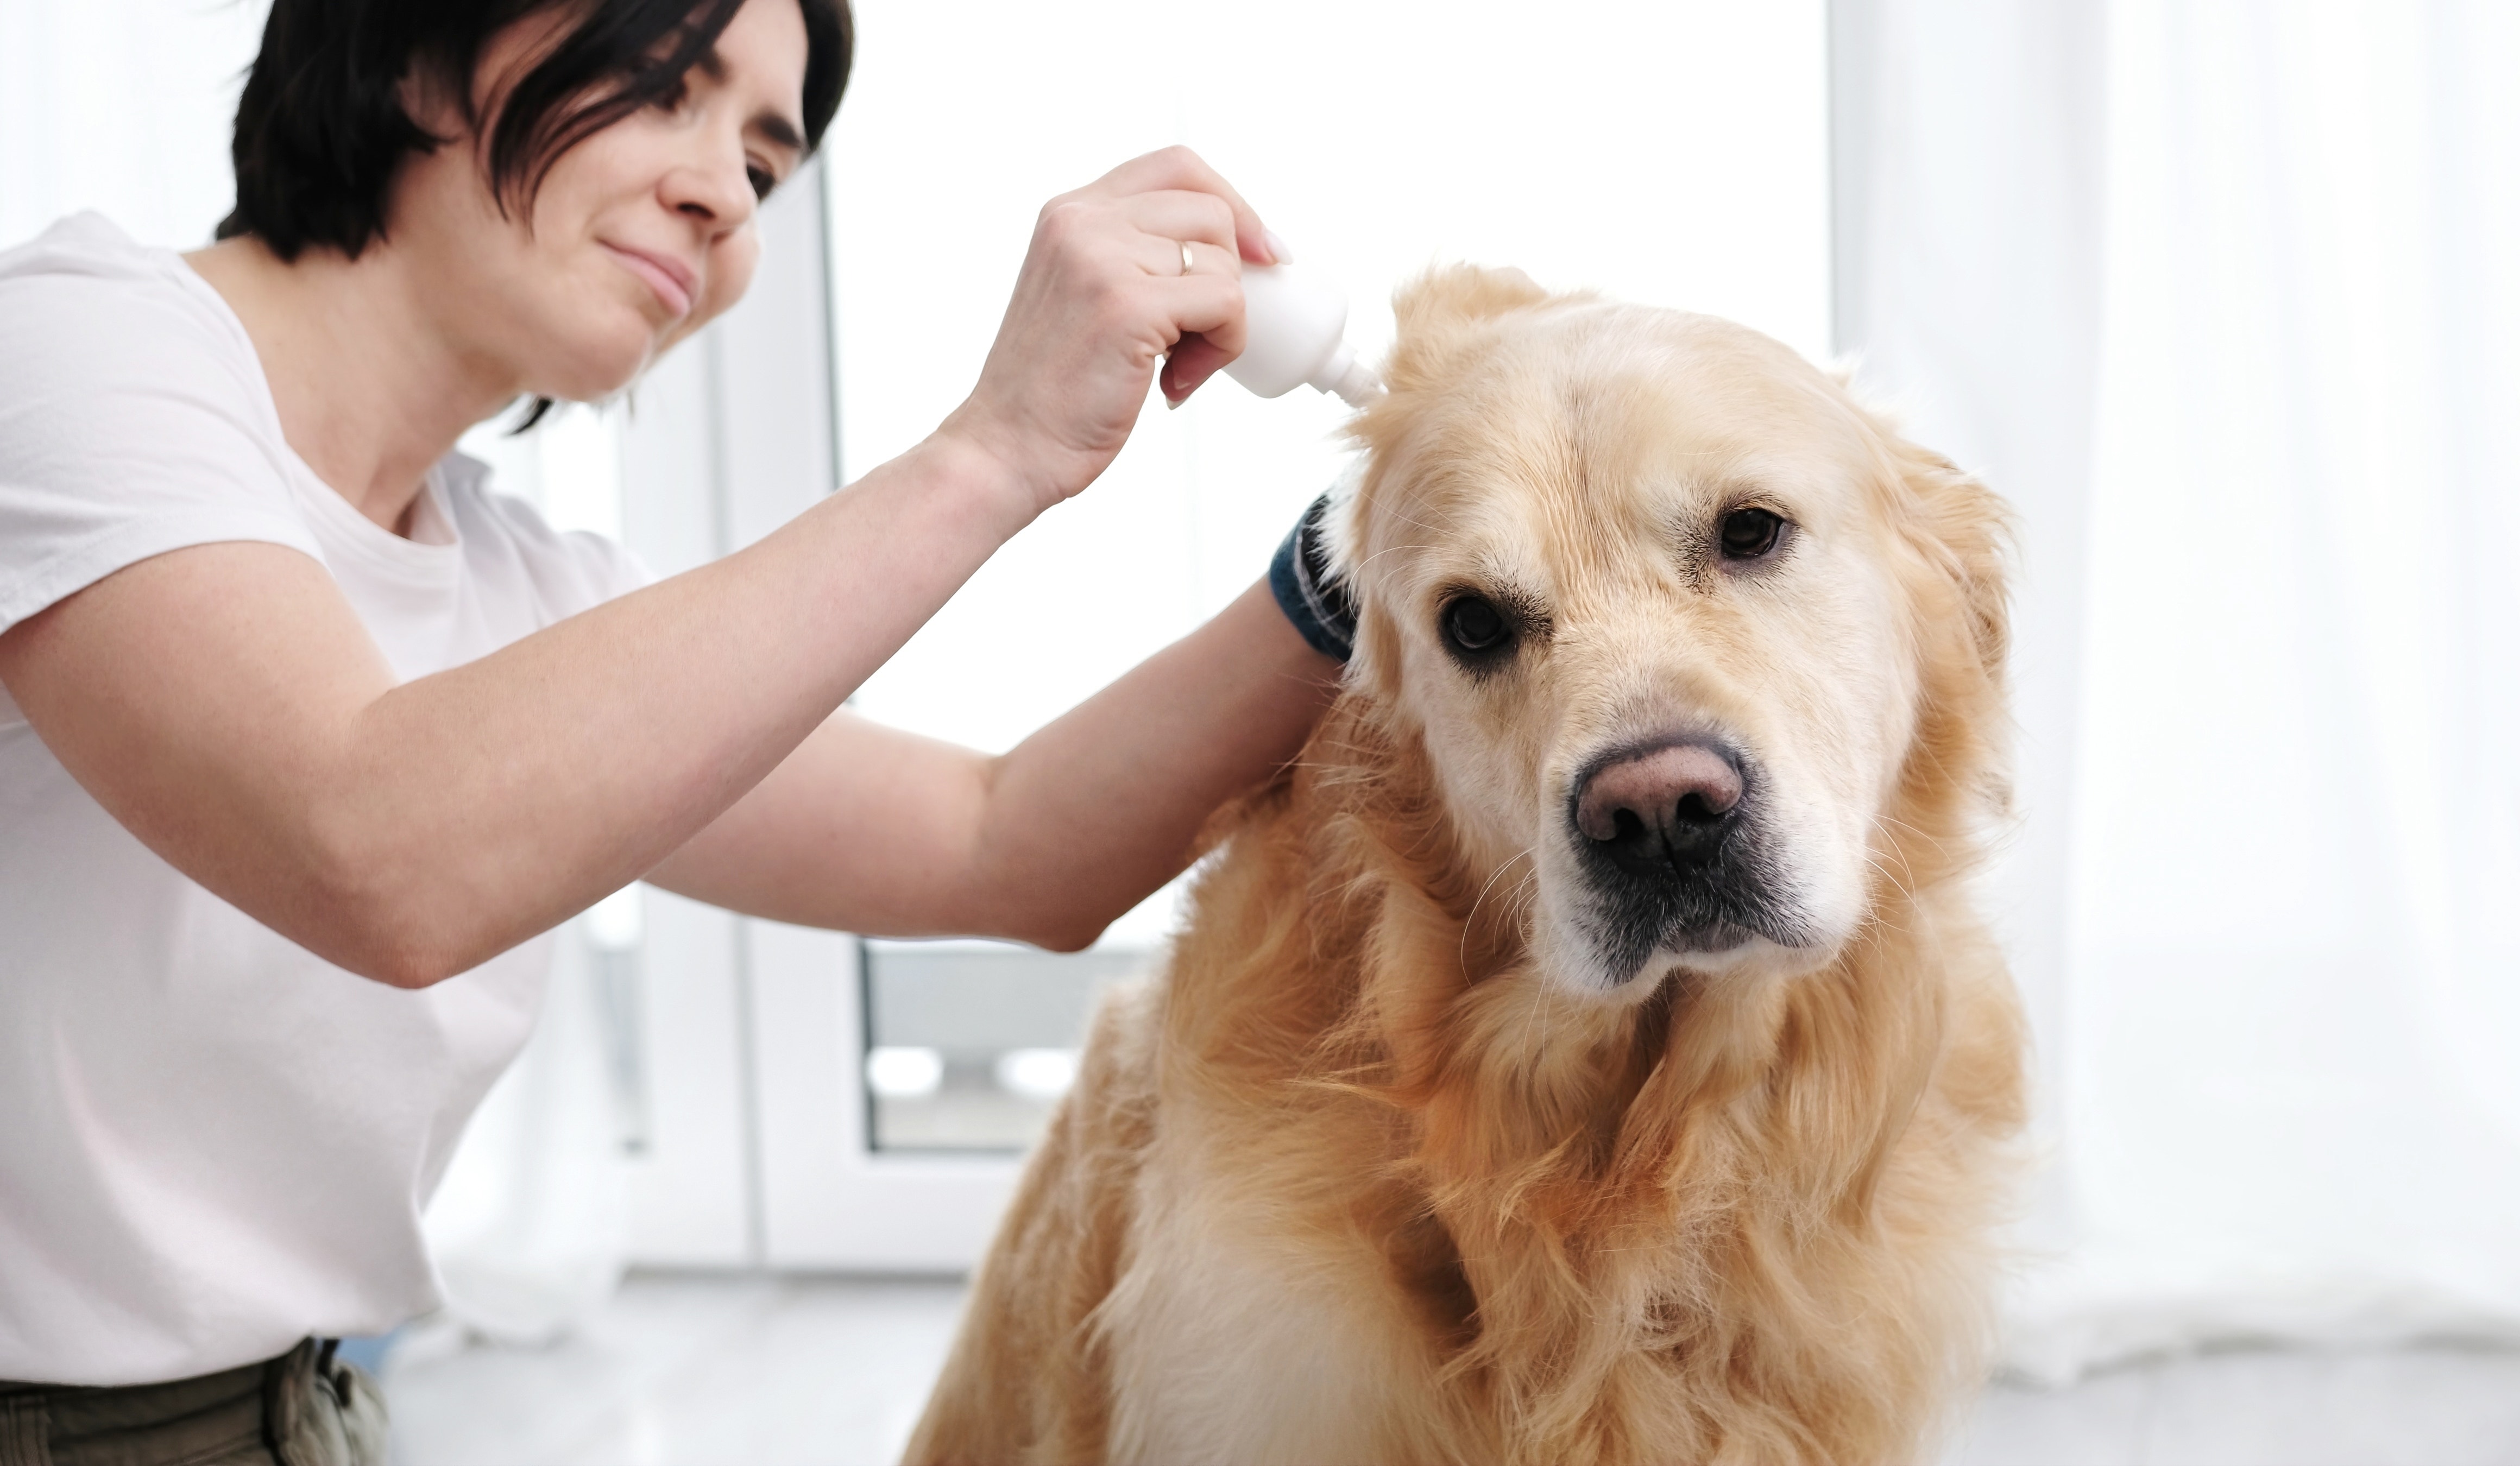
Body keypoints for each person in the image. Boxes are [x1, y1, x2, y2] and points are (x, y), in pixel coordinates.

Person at [0, 0, 1345, 1457]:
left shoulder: (517, 595)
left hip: (293, 1416)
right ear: (413, 47)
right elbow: (372, 842)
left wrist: (1370, 557)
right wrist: (996, 446)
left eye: (764, 165)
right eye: (667, 86)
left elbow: (1003, 843)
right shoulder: (69, 348)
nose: (722, 196)